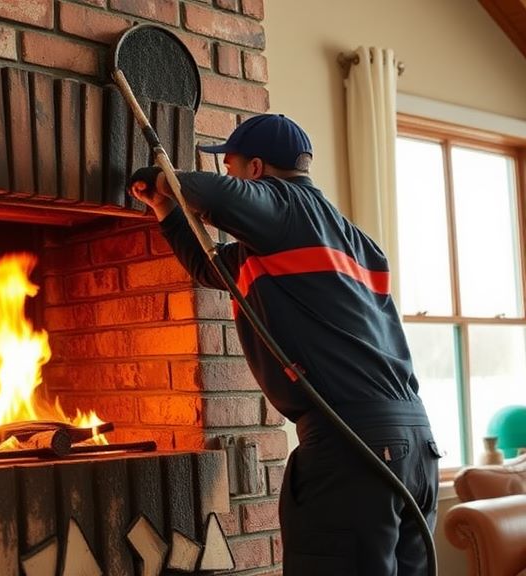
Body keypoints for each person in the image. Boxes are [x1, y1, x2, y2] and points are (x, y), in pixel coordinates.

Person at [127, 114, 441, 575]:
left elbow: (212, 194)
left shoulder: (288, 206)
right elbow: (211, 268)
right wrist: (165, 208)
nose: (228, 173)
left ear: (256, 170)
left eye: (231, 165)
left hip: (353, 446)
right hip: (415, 447)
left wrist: (161, 178)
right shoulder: (350, 242)